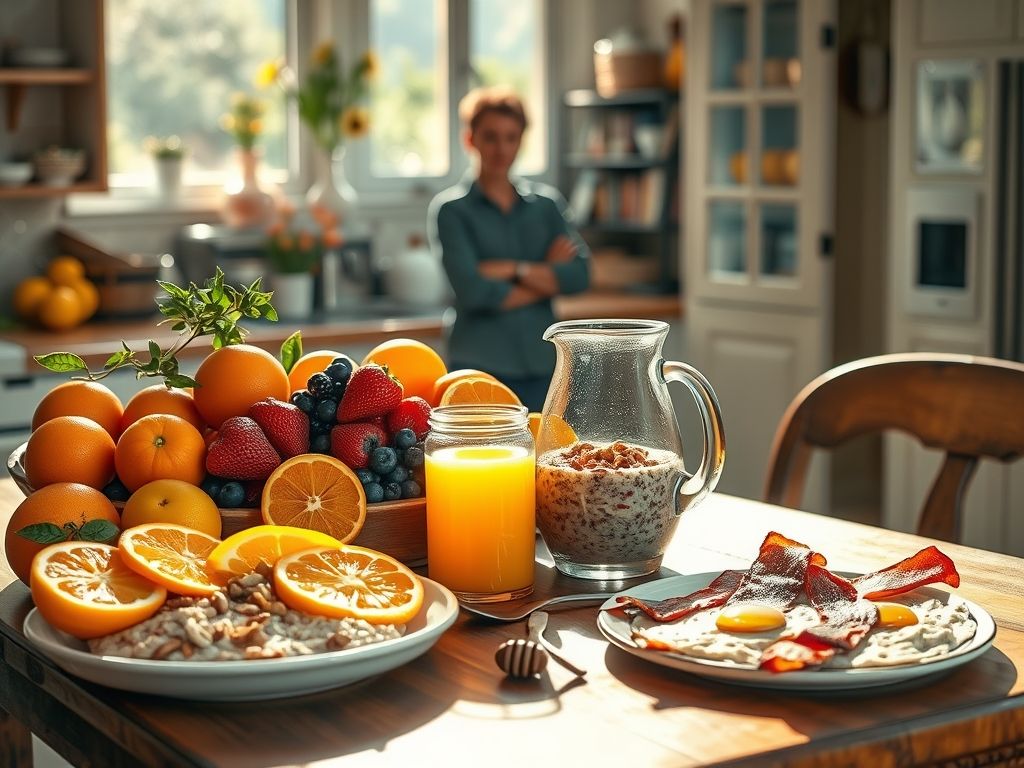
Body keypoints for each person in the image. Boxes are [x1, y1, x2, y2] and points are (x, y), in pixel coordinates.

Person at [427, 87, 590, 411]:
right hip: (478, 367)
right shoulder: (451, 210)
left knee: (544, 458)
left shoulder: (546, 205)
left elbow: (580, 275)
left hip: (544, 365)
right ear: (469, 139)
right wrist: (545, 276)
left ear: (521, 140)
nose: (501, 149)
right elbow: (472, 291)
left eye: (511, 137)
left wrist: (513, 270)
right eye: (490, 137)